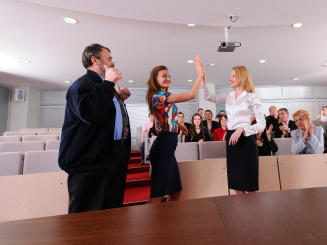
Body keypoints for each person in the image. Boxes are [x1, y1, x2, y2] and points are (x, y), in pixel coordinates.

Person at [58, 43, 131, 214]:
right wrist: (108, 84)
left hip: (113, 154)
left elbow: (103, 114)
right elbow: (91, 114)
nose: (113, 63)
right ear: (95, 60)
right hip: (91, 158)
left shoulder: (106, 87)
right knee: (88, 215)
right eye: (109, 58)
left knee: (111, 210)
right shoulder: (82, 84)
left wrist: (118, 98)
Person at [145, 55, 204, 204]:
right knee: (157, 194)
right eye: (164, 76)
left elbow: (165, 117)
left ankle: (167, 223)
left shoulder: (165, 96)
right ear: (155, 79)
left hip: (168, 147)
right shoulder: (157, 96)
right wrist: (200, 74)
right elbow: (192, 95)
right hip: (163, 146)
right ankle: (148, 225)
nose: (168, 78)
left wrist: (179, 125)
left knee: (175, 192)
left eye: (169, 76)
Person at [201, 65, 266, 194]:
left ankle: (254, 214)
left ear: (242, 77)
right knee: (237, 184)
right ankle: (241, 214)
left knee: (250, 185)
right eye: (230, 76)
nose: (230, 79)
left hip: (246, 140)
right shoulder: (229, 96)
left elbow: (262, 124)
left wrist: (242, 129)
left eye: (233, 76)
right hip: (232, 141)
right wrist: (203, 80)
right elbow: (207, 96)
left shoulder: (252, 97)